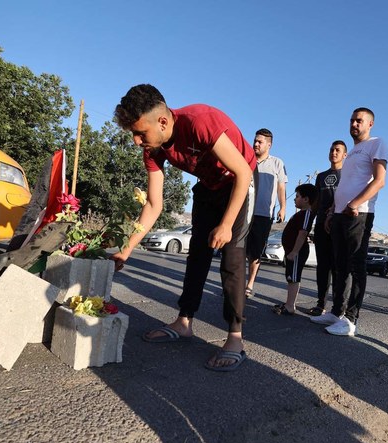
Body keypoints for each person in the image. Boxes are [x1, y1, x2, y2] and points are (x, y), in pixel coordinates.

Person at [110, 84, 255, 372]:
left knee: (232, 260)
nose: (137, 141)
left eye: (141, 133)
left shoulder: (200, 121)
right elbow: (153, 205)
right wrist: (125, 250)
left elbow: (243, 172)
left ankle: (235, 338)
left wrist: (226, 225)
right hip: (209, 187)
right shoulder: (153, 150)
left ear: (162, 121)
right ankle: (184, 321)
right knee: (197, 255)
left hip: (240, 183)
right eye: (133, 135)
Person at [310, 107, 388, 336]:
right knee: (340, 266)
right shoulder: (354, 151)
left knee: (356, 266)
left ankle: (351, 320)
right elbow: (345, 185)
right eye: (352, 120)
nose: (354, 124)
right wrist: (334, 209)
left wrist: (353, 204)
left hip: (359, 214)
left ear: (370, 124)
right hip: (341, 215)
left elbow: (380, 181)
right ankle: (336, 312)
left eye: (359, 121)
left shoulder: (377, 143)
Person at [245, 128, 287, 298]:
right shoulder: (247, 160)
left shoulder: (277, 163)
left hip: (263, 215)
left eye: (259, 142)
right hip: (244, 212)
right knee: (239, 251)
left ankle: (249, 284)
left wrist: (283, 207)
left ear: (269, 145)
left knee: (255, 252)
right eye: (255, 140)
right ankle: (235, 284)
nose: (255, 144)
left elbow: (281, 187)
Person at [309, 140, 348, 316]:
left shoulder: (348, 175)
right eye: (332, 149)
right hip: (321, 225)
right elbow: (316, 202)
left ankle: (339, 308)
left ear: (345, 155)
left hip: (339, 225)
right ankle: (320, 304)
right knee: (323, 266)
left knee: (338, 267)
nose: (334, 152)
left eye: (338, 150)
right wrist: (309, 221)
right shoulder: (321, 176)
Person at [272, 183, 318, 316]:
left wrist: (294, 252)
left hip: (297, 252)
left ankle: (290, 306)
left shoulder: (307, 214)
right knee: (290, 277)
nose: (294, 199)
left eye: (297, 196)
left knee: (294, 277)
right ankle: (288, 303)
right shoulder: (300, 214)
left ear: (306, 199)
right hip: (291, 251)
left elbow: (303, 233)